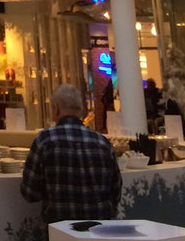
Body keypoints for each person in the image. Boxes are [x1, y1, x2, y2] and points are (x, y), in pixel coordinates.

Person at [21, 84, 121, 232]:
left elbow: (29, 192)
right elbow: (116, 191)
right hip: (100, 232)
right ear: (80, 110)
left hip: (60, 231)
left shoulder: (45, 140)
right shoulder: (102, 143)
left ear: (55, 109)